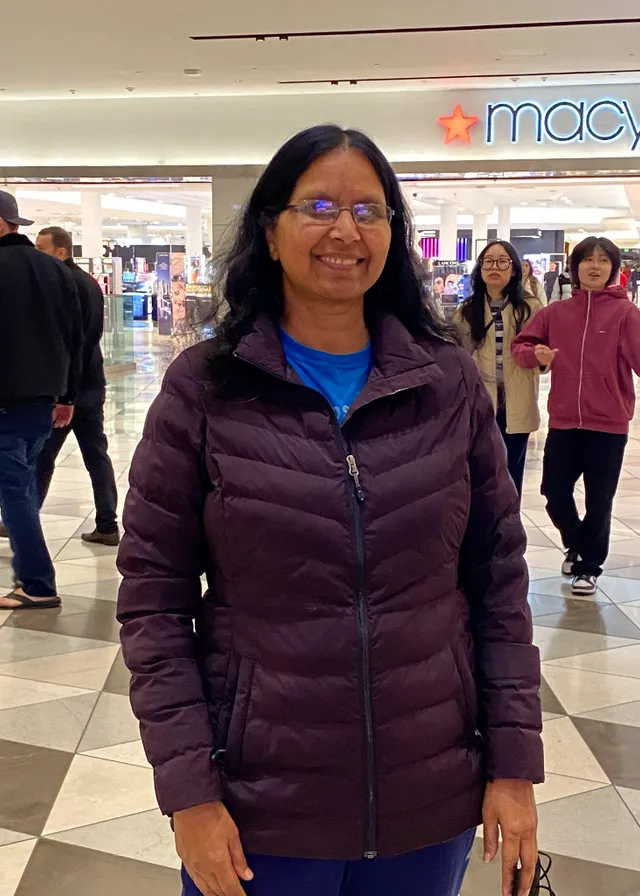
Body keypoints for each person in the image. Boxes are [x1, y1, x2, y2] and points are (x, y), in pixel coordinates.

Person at [117, 125, 543, 896]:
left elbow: (498, 584)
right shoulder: (205, 388)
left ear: (393, 235)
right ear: (270, 232)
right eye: (317, 205)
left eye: (370, 211)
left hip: (428, 798)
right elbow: (152, 602)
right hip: (260, 810)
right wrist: (189, 792)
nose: (345, 231)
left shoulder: (444, 382)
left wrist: (513, 765)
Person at [512, 236, 640, 596]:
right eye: (588, 260)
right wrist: (535, 354)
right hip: (564, 421)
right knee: (553, 491)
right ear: (576, 267)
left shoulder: (625, 313)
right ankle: (578, 541)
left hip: (609, 424)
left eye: (603, 261)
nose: (595, 266)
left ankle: (588, 566)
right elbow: (522, 346)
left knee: (600, 499)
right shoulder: (556, 313)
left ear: (613, 270)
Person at [0, 192, 83, 610]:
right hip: (42, 400)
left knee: (15, 492)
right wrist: (67, 395)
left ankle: (37, 583)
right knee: (23, 487)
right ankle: (33, 579)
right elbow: (76, 338)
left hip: (5, 401)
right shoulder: (56, 270)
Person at [34, 227, 120, 546]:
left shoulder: (63, 286)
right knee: (96, 455)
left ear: (61, 251)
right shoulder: (89, 283)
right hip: (90, 384)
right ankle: (108, 524)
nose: (36, 253)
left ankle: (22, 519)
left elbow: (72, 343)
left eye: (41, 247)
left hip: (68, 390)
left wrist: (64, 394)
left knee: (43, 454)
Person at [454, 241, 544, 496]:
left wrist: (541, 356)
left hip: (517, 399)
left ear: (514, 269)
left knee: (511, 471)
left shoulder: (530, 308)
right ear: (480, 268)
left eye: (502, 261)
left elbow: (542, 355)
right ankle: (483, 530)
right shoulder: (466, 311)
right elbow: (457, 355)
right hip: (480, 402)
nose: (495, 267)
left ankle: (509, 529)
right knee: (480, 473)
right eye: (488, 261)